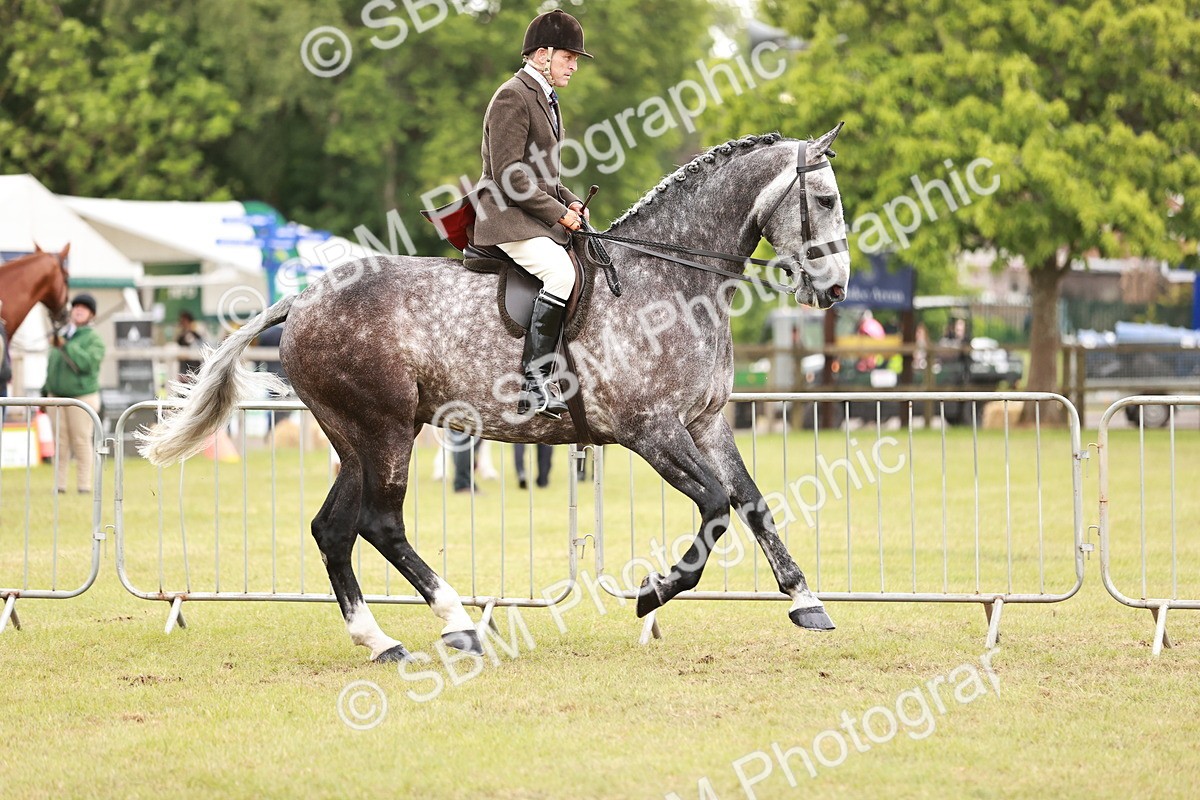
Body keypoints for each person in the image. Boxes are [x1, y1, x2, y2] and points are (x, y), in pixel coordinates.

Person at [473, 9, 593, 419]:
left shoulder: (545, 98)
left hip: (531, 212)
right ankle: (535, 383)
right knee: (561, 272)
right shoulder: (513, 95)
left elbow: (543, 173)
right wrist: (559, 214)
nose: (574, 66)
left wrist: (570, 200)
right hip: (506, 215)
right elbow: (509, 174)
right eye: (568, 58)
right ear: (543, 54)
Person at [43, 293, 106, 494]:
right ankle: (59, 485)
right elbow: (52, 366)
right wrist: (45, 390)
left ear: (91, 314)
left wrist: (67, 347)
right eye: (76, 306)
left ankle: (84, 485)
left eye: (84, 308)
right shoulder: (63, 335)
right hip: (57, 396)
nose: (79, 310)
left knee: (80, 441)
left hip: (82, 397)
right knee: (59, 442)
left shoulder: (94, 339)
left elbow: (87, 364)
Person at [176, 310, 206, 380]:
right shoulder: (181, 336)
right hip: (184, 369)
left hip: (194, 369)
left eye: (184, 320)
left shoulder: (196, 334)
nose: (182, 323)